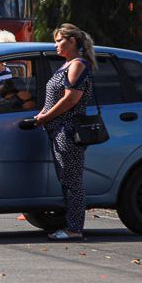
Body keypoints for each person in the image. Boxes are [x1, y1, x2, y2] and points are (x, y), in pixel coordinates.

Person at [29, 23, 96, 241]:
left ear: (72, 41)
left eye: (59, 40)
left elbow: (70, 99)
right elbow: (54, 97)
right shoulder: (66, 65)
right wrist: (42, 113)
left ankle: (74, 229)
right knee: (66, 179)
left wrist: (46, 117)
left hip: (68, 131)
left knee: (72, 181)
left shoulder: (77, 65)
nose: (56, 45)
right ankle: (71, 225)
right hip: (58, 130)